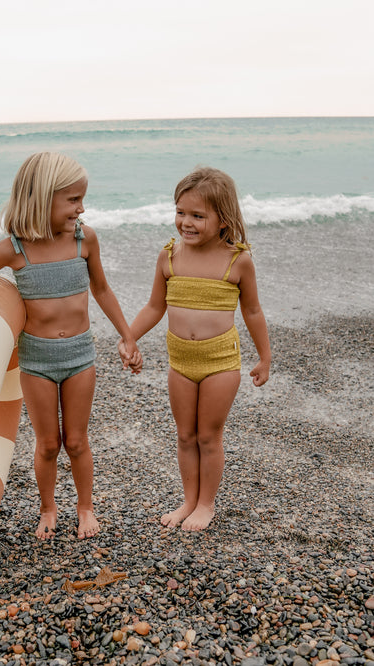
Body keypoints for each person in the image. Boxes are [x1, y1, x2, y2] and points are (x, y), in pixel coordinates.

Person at [0, 152, 141, 540]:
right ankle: (48, 507)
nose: (81, 207)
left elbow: (102, 289)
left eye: (81, 199)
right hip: (35, 360)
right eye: (72, 200)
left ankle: (85, 507)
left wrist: (127, 334)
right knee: (49, 443)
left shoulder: (84, 239)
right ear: (41, 197)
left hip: (79, 357)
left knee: (77, 439)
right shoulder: (14, 249)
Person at [122, 166, 270, 531]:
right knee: (185, 435)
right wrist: (130, 336)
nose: (186, 223)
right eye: (180, 212)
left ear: (223, 219)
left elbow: (252, 310)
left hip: (220, 362)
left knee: (208, 435)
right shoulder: (169, 255)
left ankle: (207, 504)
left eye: (197, 216)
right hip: (180, 362)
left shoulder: (237, 259)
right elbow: (155, 307)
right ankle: (188, 499)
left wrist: (265, 356)